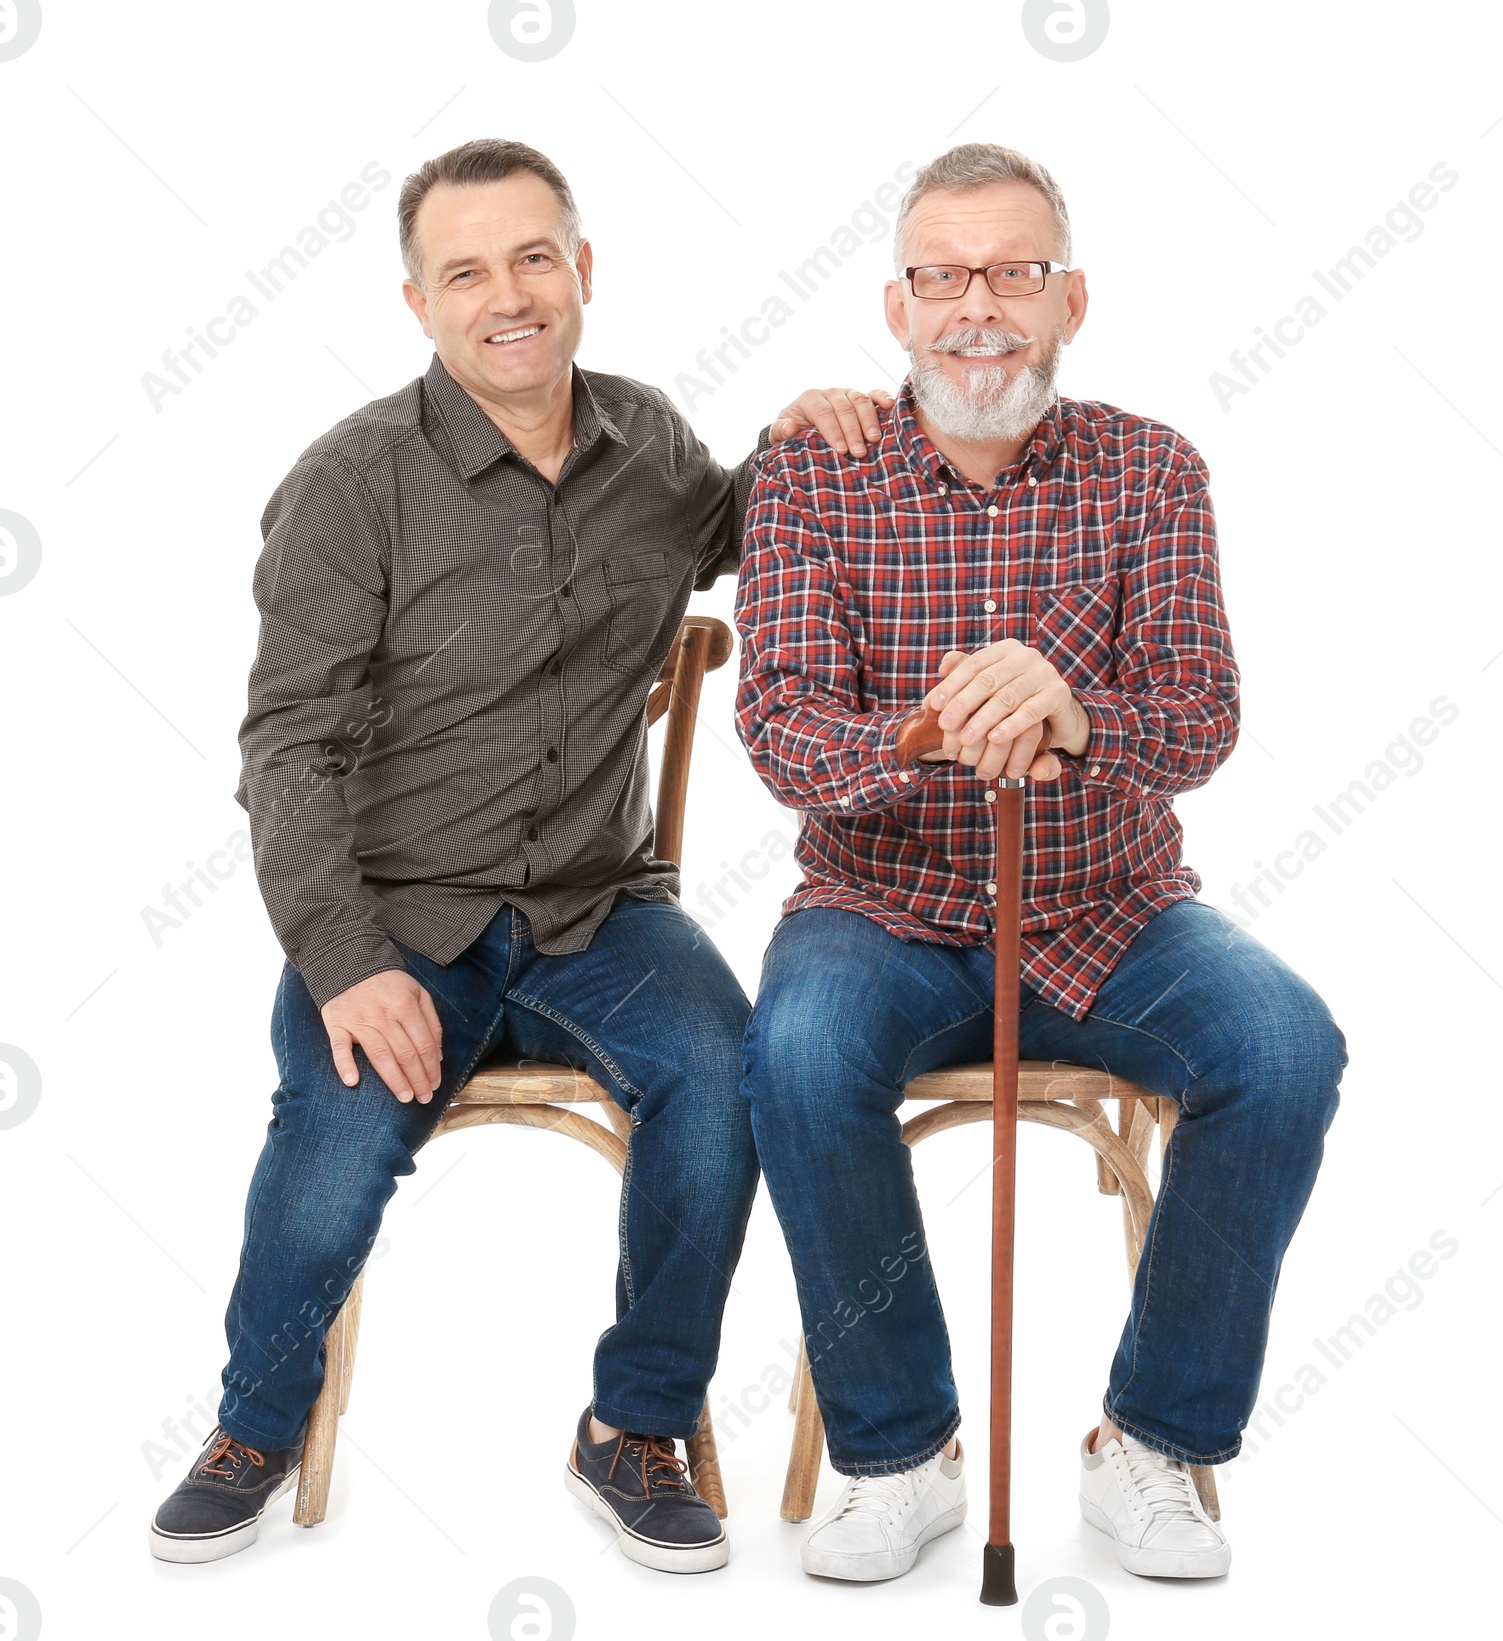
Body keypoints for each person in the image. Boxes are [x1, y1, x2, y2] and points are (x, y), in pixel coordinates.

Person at [148, 136, 889, 1572]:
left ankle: (634, 1423)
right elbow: (284, 752)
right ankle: (257, 1418)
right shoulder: (352, 482)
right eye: (468, 270)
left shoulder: (651, 444)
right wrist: (348, 964)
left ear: (583, 271)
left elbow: (735, 525)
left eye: (535, 257)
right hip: (398, 913)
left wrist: (793, 444)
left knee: (733, 1075)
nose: (510, 294)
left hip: (595, 913)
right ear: (418, 303)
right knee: (334, 1139)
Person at [735, 141, 1348, 1583]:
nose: (980, 308)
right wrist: (941, 728)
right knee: (796, 1057)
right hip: (881, 907)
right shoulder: (812, 472)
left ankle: (1150, 1439)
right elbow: (780, 732)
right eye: (943, 276)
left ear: (1072, 297)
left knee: (1286, 1042)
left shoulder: (1151, 468)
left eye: (1016, 273)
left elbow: (1201, 716)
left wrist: (1078, 711)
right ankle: (898, 1453)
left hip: (1109, 905)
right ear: (897, 308)